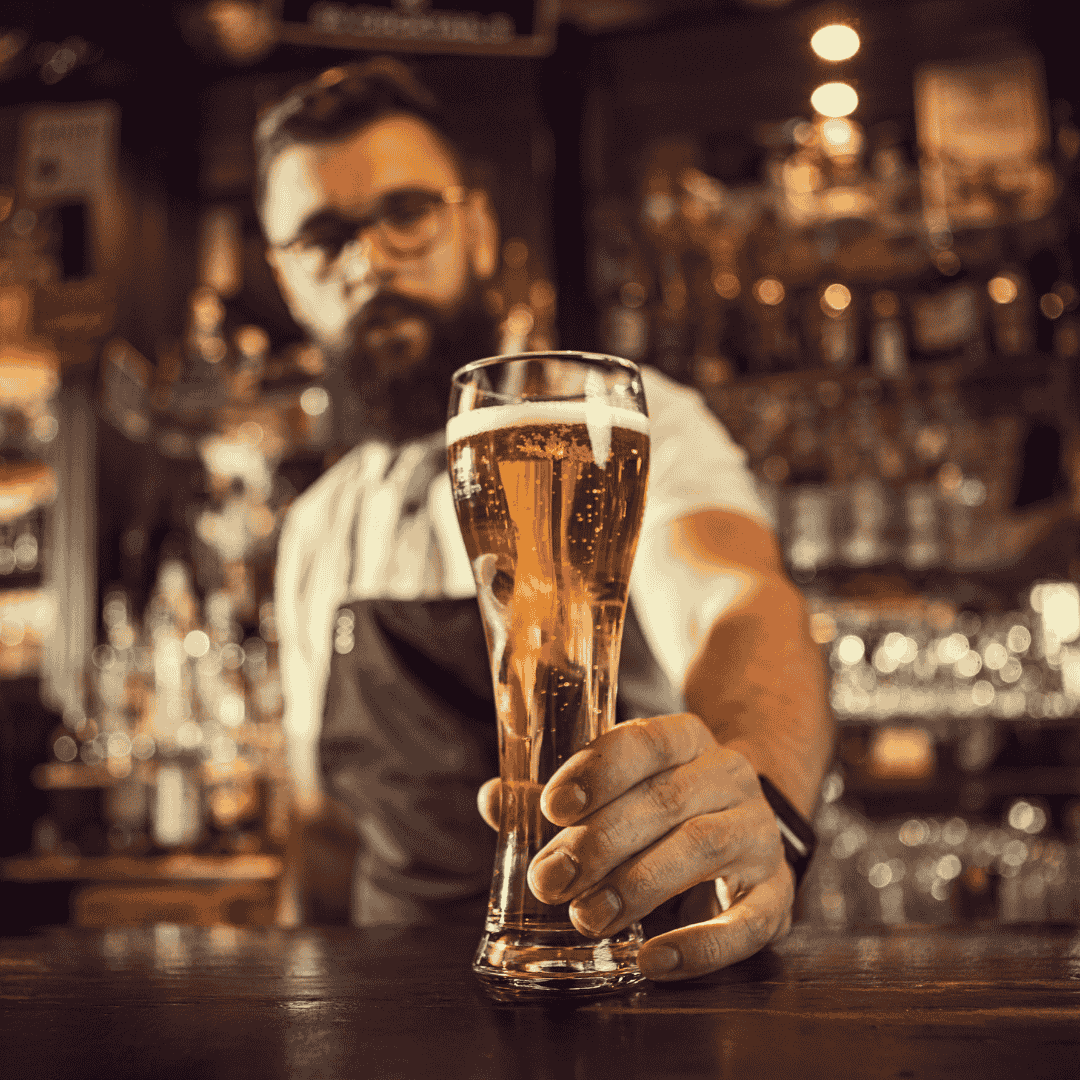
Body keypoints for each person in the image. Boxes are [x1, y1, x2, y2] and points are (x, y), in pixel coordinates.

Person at [258, 58, 833, 982]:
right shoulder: (315, 525)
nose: (370, 259)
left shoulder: (625, 429)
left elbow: (744, 603)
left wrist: (761, 796)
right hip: (380, 1009)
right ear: (286, 278)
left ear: (477, 228)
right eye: (322, 238)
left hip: (613, 979)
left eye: (406, 212)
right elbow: (324, 831)